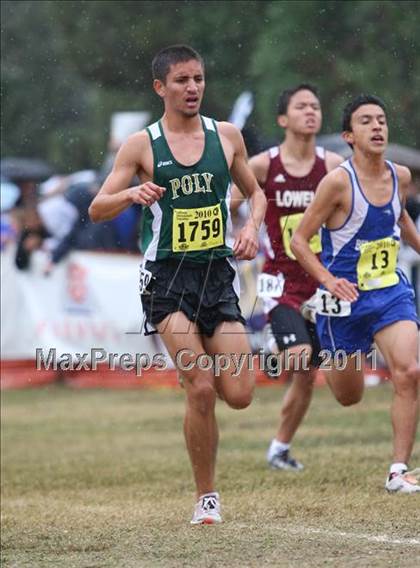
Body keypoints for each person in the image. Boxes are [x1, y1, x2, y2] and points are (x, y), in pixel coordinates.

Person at [89, 45, 267, 523]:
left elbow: (255, 192)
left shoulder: (226, 137)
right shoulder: (141, 145)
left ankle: (202, 376)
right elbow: (96, 208)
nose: (193, 88)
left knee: (241, 393)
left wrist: (250, 227)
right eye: (182, 81)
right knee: (202, 388)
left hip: (216, 276)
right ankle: (206, 497)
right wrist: (130, 192)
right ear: (160, 87)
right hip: (166, 280)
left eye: (198, 79)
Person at [291, 94, 420, 493]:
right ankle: (322, 331)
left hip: (389, 291)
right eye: (366, 121)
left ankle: (398, 471)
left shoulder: (400, 176)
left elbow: (397, 217)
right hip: (342, 300)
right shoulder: (337, 183)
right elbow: (299, 241)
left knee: (410, 371)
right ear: (349, 135)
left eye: (381, 120)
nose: (377, 127)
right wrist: (328, 282)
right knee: (350, 396)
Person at [231, 84, 343, 471]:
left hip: (322, 281)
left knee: (310, 375)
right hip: (279, 282)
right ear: (283, 119)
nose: (311, 112)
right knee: (300, 358)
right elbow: (230, 199)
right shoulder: (264, 165)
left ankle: (279, 447)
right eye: (301, 106)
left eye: (315, 105)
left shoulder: (332, 166)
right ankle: (270, 349)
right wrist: (235, 229)